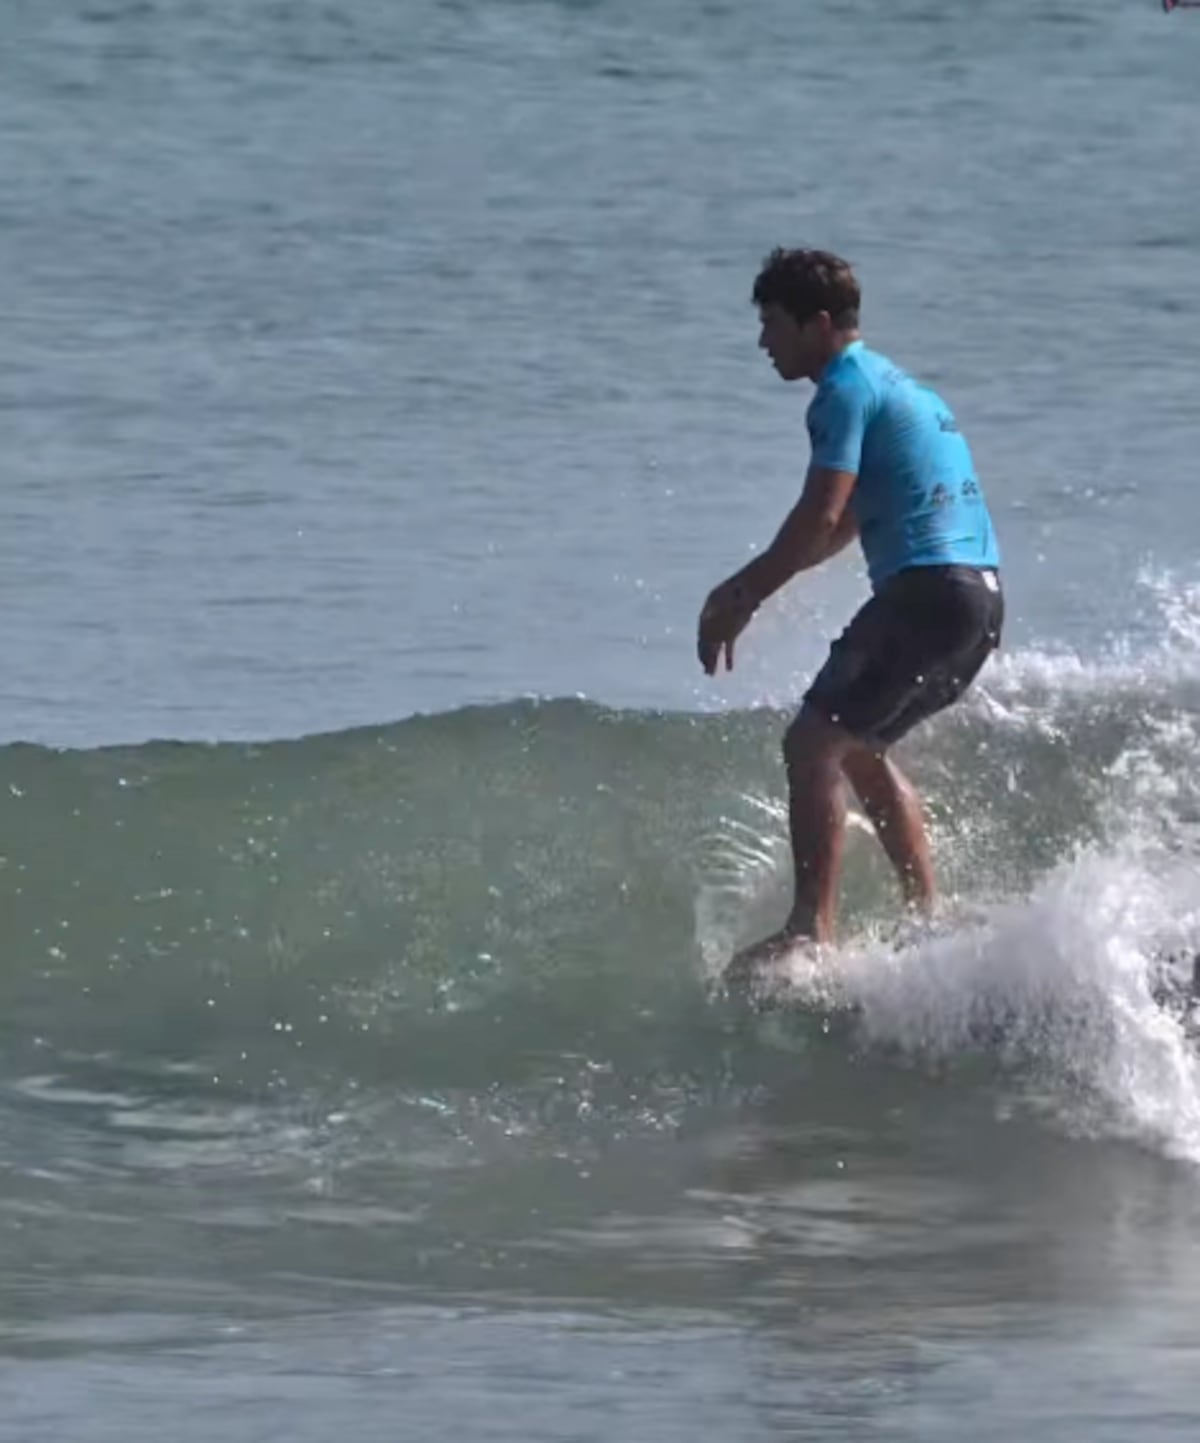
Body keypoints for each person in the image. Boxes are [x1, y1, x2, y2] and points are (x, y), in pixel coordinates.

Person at [698, 247, 1003, 976]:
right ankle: (929, 918)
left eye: (774, 323)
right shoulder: (904, 388)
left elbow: (819, 511)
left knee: (809, 744)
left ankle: (810, 930)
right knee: (858, 748)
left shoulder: (840, 390)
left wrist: (738, 596)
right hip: (978, 603)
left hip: (926, 594)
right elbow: (845, 527)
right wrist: (765, 581)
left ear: (821, 323)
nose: (764, 341)